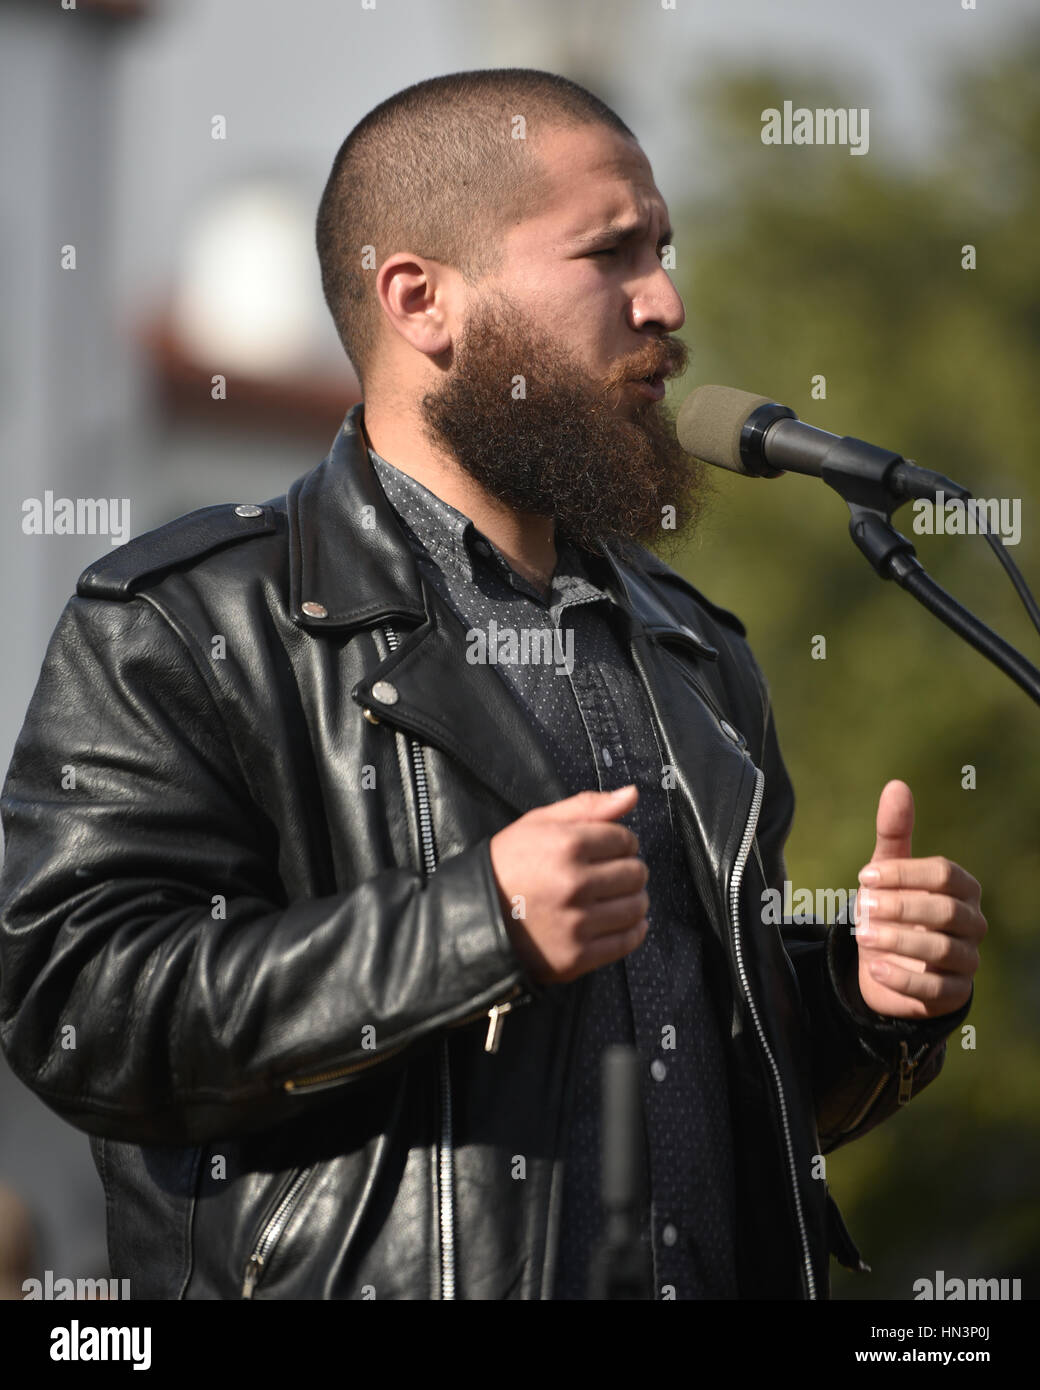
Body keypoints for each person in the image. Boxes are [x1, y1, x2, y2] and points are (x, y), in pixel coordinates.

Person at [0, 68, 985, 1301]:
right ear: (422, 301)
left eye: (662, 247)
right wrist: (475, 927)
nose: (666, 300)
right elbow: (77, 1012)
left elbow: (704, 1090)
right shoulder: (189, 621)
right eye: (609, 252)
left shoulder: (691, 648)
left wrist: (861, 1002)